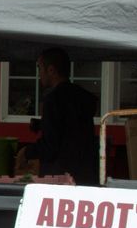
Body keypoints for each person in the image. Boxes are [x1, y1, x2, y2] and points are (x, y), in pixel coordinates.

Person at [27, 48, 100, 183]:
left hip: (59, 177)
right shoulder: (82, 98)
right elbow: (70, 127)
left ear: (51, 70)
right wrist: (42, 124)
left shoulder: (53, 100)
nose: (39, 74)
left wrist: (27, 152)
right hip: (85, 174)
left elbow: (50, 146)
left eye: (40, 68)